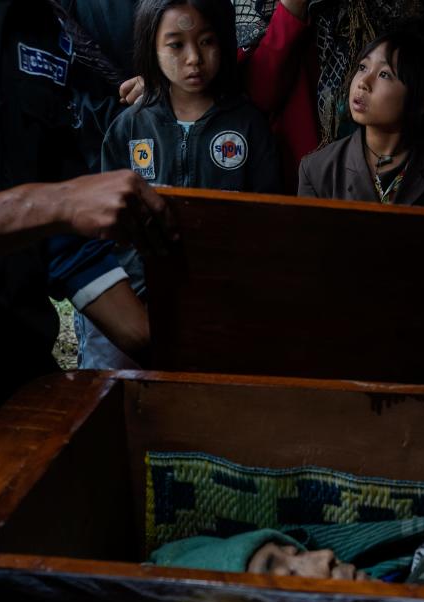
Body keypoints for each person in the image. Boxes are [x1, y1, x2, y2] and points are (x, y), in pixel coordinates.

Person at [0, 0, 175, 438]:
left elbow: (66, 234)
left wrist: (172, 348)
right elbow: (59, 203)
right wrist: (58, 204)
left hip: (15, 376)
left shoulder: (42, 28)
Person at [75, 0, 283, 369]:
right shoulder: (130, 128)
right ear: (150, 48)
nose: (194, 59)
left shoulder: (249, 126)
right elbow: (113, 230)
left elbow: (268, 222)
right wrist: (136, 296)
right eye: (176, 45)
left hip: (225, 301)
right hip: (141, 300)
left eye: (206, 41)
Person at [297, 32, 424, 208]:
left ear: (421, 102)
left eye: (384, 74)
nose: (363, 82)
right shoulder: (317, 170)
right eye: (362, 67)